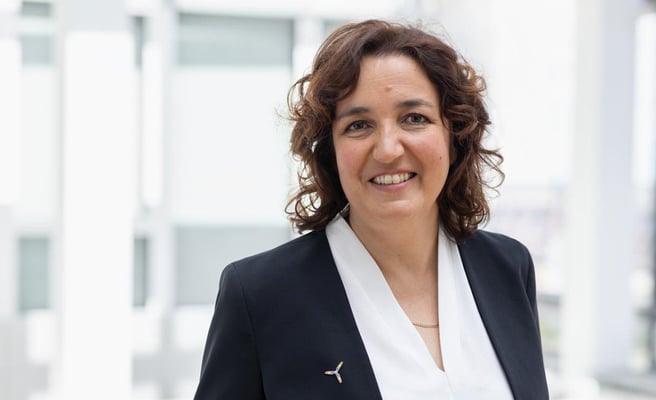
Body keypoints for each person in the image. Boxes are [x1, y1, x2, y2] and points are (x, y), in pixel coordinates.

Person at [194, 19, 548, 400]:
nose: (388, 149)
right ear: (329, 151)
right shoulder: (259, 295)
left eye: (414, 118)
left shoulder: (508, 268)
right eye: (359, 125)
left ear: (454, 133)